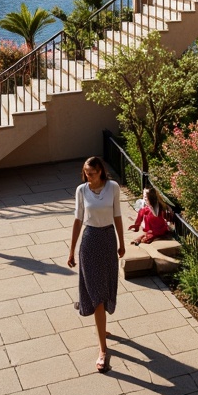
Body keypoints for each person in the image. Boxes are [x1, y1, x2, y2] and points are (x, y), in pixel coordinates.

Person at [67, 156, 125, 374]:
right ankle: (103, 351)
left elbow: (117, 216)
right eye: (86, 173)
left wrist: (121, 242)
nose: (88, 176)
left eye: (92, 173)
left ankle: (101, 328)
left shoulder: (113, 188)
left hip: (108, 239)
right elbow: (78, 219)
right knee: (96, 295)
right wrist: (71, 249)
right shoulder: (81, 190)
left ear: (101, 171)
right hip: (90, 241)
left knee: (106, 288)